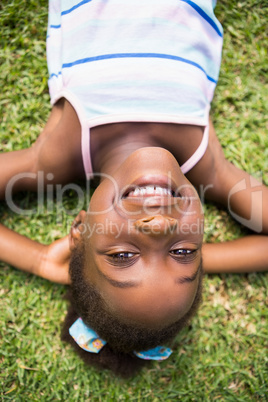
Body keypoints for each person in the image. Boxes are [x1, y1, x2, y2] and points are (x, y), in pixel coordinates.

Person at [1, 0, 267, 377]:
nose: (158, 227)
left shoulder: (58, 158)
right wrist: (203, 254)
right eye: (182, 251)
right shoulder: (206, 165)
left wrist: (38, 259)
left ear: (79, 232)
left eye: (124, 256)